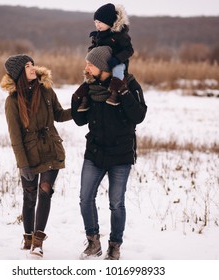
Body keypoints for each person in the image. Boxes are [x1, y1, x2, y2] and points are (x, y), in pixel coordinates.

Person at [71, 46, 147, 260]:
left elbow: (139, 115)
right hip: (95, 153)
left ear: (104, 67)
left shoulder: (129, 84)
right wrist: (77, 97)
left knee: (116, 203)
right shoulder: (91, 87)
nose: (86, 67)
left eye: (91, 64)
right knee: (85, 198)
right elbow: (79, 120)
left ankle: (115, 245)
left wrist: (122, 91)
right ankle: (93, 242)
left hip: (120, 155)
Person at [1, 54, 72, 258]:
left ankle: (38, 242)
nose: (33, 68)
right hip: (29, 155)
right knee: (30, 195)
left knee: (45, 191)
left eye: (32, 64)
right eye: (27, 66)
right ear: (18, 73)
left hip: (51, 149)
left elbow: (58, 114)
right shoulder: (12, 101)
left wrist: (79, 109)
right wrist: (23, 165)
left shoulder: (46, 90)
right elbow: (15, 137)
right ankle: (28, 237)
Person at [78, 3, 134, 112]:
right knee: (88, 71)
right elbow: (93, 47)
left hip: (117, 62)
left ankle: (115, 93)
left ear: (110, 21)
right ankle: (85, 97)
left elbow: (129, 50)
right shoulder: (98, 35)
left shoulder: (120, 35)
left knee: (117, 70)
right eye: (95, 22)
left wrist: (117, 59)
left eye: (100, 22)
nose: (97, 25)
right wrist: (91, 53)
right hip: (101, 63)